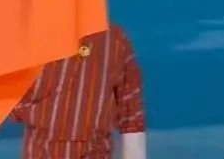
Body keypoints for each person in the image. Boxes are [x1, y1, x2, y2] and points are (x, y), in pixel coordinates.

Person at [9, 22, 147, 159]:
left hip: (60, 151)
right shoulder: (115, 39)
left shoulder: (114, 40)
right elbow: (131, 116)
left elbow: (131, 114)